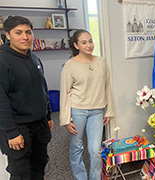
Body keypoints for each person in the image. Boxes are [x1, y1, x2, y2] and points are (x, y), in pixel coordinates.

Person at [0, 16, 54, 180]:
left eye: (28, 32)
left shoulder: (34, 58)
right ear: (8, 35)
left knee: (39, 165)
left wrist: (48, 115)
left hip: (39, 124)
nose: (25, 37)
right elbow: (1, 100)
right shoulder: (2, 60)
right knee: (21, 173)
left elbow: (42, 88)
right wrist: (11, 132)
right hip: (18, 128)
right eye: (19, 33)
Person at [60, 29, 115, 180]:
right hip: (77, 110)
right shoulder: (70, 65)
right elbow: (64, 93)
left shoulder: (101, 62)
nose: (89, 45)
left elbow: (107, 86)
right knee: (77, 147)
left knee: (95, 150)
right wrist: (65, 119)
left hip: (97, 111)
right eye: (84, 42)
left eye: (90, 41)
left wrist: (109, 110)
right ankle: (81, 177)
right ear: (76, 45)